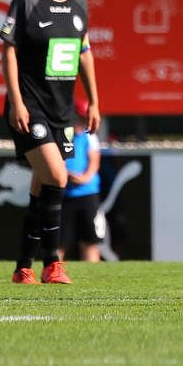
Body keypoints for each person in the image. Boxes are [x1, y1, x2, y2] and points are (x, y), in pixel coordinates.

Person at [2, 0, 101, 285]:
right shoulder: (26, 1)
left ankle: (22, 267)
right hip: (30, 107)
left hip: (61, 112)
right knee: (58, 177)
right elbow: (9, 49)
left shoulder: (80, 5)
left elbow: (84, 53)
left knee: (42, 187)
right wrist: (15, 100)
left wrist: (93, 101)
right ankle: (51, 263)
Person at [59, 98, 103, 262]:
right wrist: (65, 174)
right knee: (59, 241)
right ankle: (54, 272)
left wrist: (83, 178)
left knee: (90, 240)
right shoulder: (63, 134)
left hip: (87, 192)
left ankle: (94, 279)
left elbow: (94, 161)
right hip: (64, 194)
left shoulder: (89, 134)